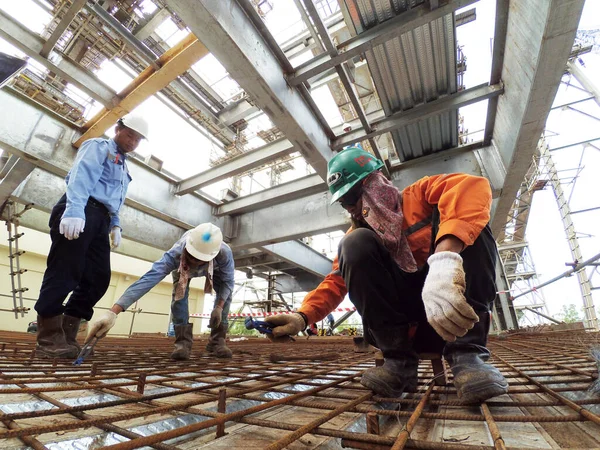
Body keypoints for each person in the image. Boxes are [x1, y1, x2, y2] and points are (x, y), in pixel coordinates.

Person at [264, 145, 508, 404]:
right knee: (353, 244)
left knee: (471, 223)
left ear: (378, 184)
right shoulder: (358, 237)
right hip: (410, 333)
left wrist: (445, 258)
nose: (353, 210)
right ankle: (398, 364)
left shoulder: (422, 195)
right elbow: (334, 282)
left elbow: (472, 187)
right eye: (346, 203)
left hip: (456, 323)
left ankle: (468, 358)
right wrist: (302, 317)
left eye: (354, 198)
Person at [34, 115, 148, 359]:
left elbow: (116, 197)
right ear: (118, 129)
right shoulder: (98, 147)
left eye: (138, 140)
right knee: (65, 270)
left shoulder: (123, 165)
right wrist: (74, 210)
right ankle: (48, 339)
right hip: (81, 208)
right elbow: (81, 176)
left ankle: (67, 333)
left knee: (98, 277)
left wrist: (115, 224)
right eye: (130, 135)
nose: (133, 142)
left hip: (101, 219)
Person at [86, 223, 235, 360]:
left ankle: (217, 342)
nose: (194, 263)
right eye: (191, 257)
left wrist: (219, 307)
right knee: (179, 298)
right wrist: (113, 313)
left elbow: (228, 282)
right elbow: (148, 280)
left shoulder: (223, 254)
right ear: (187, 249)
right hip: (181, 266)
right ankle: (183, 344)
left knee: (226, 296)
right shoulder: (175, 254)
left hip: (215, 271)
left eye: (198, 260)